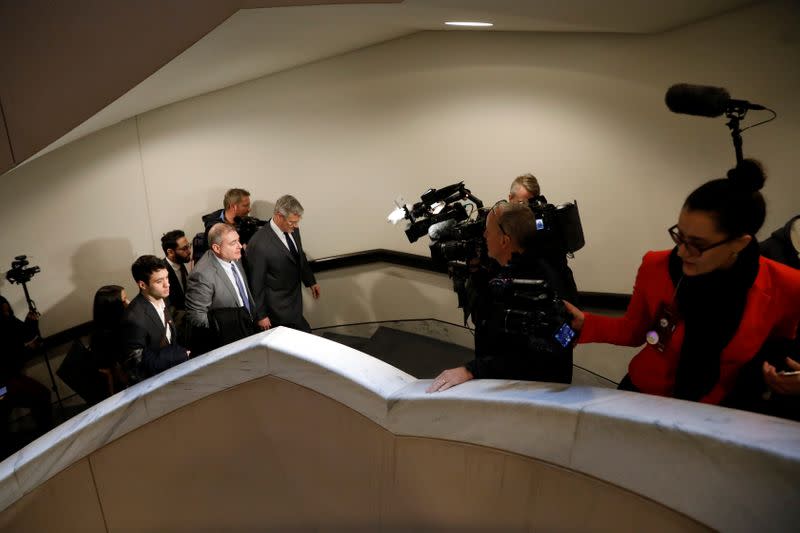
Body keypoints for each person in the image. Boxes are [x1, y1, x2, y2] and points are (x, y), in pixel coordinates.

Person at [564, 159, 800, 406]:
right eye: (680, 236)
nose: (681, 253)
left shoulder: (787, 285)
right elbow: (634, 330)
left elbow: (778, 348)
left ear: (739, 243)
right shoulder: (656, 265)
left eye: (697, 244)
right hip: (644, 393)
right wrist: (586, 323)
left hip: (714, 409)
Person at [427, 201, 578, 393]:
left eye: (487, 231)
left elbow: (537, 356)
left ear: (505, 241)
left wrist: (471, 370)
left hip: (533, 394)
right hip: (505, 385)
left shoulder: (537, 282)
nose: (483, 236)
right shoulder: (507, 266)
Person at [245, 195, 320, 333]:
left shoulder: (293, 229)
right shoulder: (259, 243)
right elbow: (256, 283)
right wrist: (261, 315)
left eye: (297, 222)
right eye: (292, 222)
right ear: (279, 216)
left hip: (294, 303)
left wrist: (310, 281)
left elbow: (299, 256)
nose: (296, 226)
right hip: (276, 310)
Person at [185, 223, 256, 350]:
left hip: (248, 331)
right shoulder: (202, 275)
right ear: (217, 248)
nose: (240, 246)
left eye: (238, 240)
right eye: (233, 243)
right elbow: (196, 316)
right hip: (226, 341)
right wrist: (228, 326)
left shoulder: (233, 256)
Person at [121, 256, 189, 382]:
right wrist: (180, 355)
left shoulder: (163, 298)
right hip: (156, 381)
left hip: (175, 372)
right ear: (142, 284)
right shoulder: (134, 318)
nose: (167, 284)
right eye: (159, 281)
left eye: (167, 277)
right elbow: (138, 365)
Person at [0, 295, 53, 440]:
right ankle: (47, 438)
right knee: (41, 395)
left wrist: (31, 324)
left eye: (7, 311)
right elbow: (14, 353)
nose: (7, 315)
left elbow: (24, 336)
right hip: (3, 387)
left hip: (7, 383)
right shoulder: (6, 324)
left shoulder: (8, 322)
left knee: (40, 395)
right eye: (3, 312)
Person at [89, 285, 130, 392]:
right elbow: (109, 376)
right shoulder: (104, 337)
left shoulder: (118, 327)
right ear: (113, 308)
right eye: (124, 300)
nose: (128, 303)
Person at [161, 230, 193, 312]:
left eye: (189, 246)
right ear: (170, 252)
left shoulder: (180, 263)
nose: (189, 251)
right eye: (184, 248)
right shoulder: (161, 273)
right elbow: (167, 307)